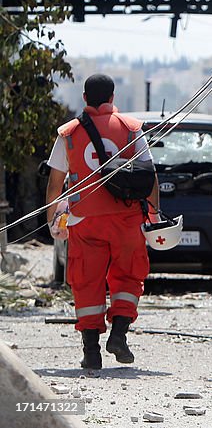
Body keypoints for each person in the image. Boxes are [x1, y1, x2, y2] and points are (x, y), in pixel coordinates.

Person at [44, 73, 158, 370]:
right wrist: (155, 216)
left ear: (84, 98)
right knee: (129, 276)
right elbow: (150, 177)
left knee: (86, 282)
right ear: (112, 97)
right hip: (126, 219)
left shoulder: (68, 134)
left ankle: (91, 351)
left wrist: (52, 220)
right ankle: (119, 334)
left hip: (85, 221)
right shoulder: (132, 129)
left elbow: (55, 182)